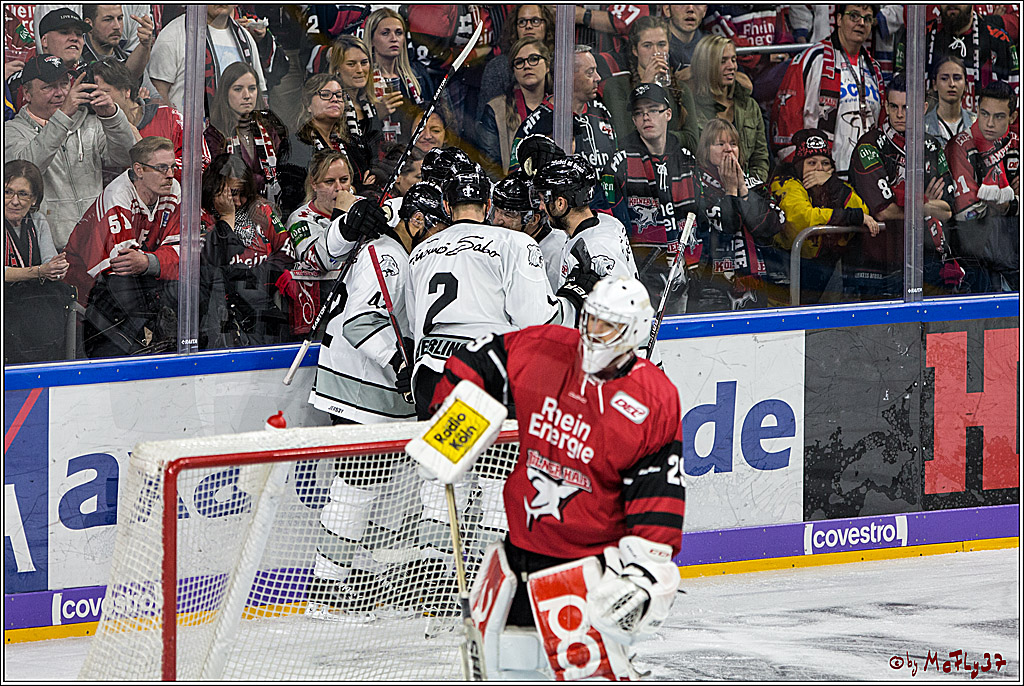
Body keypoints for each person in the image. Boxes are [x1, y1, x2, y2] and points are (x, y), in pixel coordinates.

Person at [428, 275, 685, 681]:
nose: (594, 333)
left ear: (634, 332)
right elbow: (482, 359)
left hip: (586, 570)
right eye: (591, 320)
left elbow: (658, 491)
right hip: (516, 556)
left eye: (609, 325)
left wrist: (645, 570)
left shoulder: (653, 398)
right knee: (502, 671)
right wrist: (451, 412)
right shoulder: (545, 348)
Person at [300, 173, 419, 618]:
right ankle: (328, 586)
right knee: (356, 485)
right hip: (359, 389)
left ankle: (343, 572)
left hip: (367, 391)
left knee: (368, 486)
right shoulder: (387, 255)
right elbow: (361, 323)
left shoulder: (393, 238)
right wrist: (400, 366)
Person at [404, 166, 561, 420]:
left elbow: (415, 323)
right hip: (483, 372)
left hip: (429, 375)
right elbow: (535, 321)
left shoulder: (419, 253)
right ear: (488, 205)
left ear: (446, 205)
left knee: (440, 458)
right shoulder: (515, 242)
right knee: (493, 459)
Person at [848, 73, 964, 300]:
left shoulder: (931, 146)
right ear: (886, 105)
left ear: (922, 108)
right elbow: (884, 210)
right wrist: (925, 202)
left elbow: (949, 210)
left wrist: (907, 201)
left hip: (925, 259)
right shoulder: (869, 146)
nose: (899, 114)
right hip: (877, 263)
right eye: (894, 106)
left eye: (906, 107)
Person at [62, 136, 180, 357]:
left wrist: (148, 260)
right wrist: (157, 261)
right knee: (126, 285)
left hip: (126, 286)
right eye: (162, 168)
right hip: (86, 289)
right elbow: (123, 267)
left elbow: (182, 255)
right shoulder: (117, 197)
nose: (171, 174)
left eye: (173, 166)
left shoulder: (173, 189)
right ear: (139, 170)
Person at [5, 54, 136, 250]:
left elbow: (126, 157)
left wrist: (112, 116)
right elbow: (27, 170)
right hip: (50, 248)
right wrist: (63, 116)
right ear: (27, 93)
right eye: (48, 86)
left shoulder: (90, 123)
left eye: (64, 84)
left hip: (98, 242)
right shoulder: (11, 131)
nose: (59, 93)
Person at [603, 84, 700, 316]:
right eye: (638, 112)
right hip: (638, 278)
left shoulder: (686, 159)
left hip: (682, 276)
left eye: (653, 109)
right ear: (634, 121)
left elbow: (698, 215)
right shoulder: (620, 161)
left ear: (668, 114)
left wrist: (694, 265)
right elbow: (609, 216)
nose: (646, 116)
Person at [768, 128, 878, 305]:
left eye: (825, 163)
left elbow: (863, 210)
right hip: (784, 276)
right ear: (799, 165)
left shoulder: (834, 185)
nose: (819, 169)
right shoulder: (785, 182)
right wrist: (851, 217)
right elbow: (802, 219)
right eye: (811, 163)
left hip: (825, 274)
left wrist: (832, 183)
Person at [773, 5, 885, 177]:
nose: (861, 23)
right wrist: (800, 169)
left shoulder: (874, 69)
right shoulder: (813, 58)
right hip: (821, 176)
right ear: (839, 19)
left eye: (867, 18)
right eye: (854, 16)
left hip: (867, 178)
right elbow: (786, 118)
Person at [198, 152, 294, 348]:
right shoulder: (200, 219)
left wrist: (257, 276)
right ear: (214, 189)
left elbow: (287, 254)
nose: (240, 201)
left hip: (262, 311)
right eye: (233, 193)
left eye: (243, 193)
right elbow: (209, 269)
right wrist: (226, 217)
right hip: (220, 321)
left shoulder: (261, 211)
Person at [535, 155, 640, 327]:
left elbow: (620, 313)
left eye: (544, 199)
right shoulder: (607, 222)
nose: (541, 207)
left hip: (612, 348)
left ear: (561, 203)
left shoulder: (594, 248)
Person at [693, 118, 786, 311]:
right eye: (720, 144)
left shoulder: (754, 184)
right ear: (706, 150)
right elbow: (726, 226)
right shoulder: (696, 184)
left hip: (756, 285)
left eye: (733, 144)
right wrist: (729, 192)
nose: (728, 149)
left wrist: (742, 189)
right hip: (710, 285)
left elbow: (773, 224)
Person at [944, 81, 1019, 292]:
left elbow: (993, 204)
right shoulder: (959, 146)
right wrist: (1011, 204)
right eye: (984, 114)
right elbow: (967, 214)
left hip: (1013, 262)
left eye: (999, 116)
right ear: (976, 110)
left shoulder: (1017, 144)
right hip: (973, 263)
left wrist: (1005, 204)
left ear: (1012, 117)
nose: (989, 123)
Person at [90, 58, 211, 183]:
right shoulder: (96, 129)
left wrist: (158, 162)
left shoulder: (170, 118)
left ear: (126, 91)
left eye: (105, 92)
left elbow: (202, 165)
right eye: (94, 93)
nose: (99, 98)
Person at [4, 159, 74, 365]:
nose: (14, 201)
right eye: (8, 192)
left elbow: (49, 260)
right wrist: (40, 271)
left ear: (34, 199)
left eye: (23, 194)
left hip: (33, 298)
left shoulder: (38, 221)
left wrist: (58, 268)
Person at [511, 45, 618, 174]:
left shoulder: (602, 113)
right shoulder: (534, 126)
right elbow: (517, 178)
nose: (598, 78)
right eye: (590, 72)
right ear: (567, 76)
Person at [599, 16, 699, 150]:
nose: (656, 52)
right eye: (647, 45)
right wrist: (644, 85)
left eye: (662, 44)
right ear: (635, 50)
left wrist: (654, 137)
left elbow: (693, 142)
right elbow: (623, 136)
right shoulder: (616, 86)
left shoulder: (681, 89)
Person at [147, 4, 268, 112]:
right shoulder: (172, 35)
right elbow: (158, 94)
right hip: (186, 134)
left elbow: (259, 93)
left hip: (237, 133)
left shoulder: (245, 38)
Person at [690, 34, 770, 183]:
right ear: (706, 65)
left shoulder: (749, 105)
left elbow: (760, 157)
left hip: (747, 188)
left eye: (733, 60)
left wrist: (751, 186)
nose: (732, 66)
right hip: (704, 190)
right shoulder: (691, 107)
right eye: (723, 61)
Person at [204, 61, 288, 204]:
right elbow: (221, 181)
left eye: (252, 88)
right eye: (238, 89)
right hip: (232, 208)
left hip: (273, 207)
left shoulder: (270, 130)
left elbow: (284, 174)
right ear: (225, 93)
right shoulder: (215, 133)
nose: (247, 95)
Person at [916, 4, 1018, 114]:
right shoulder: (922, 38)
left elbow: (1014, 102)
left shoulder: (999, 41)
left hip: (983, 129)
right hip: (932, 129)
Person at [478, 37, 552, 173]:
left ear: (547, 66)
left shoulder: (560, 106)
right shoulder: (495, 109)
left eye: (534, 59)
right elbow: (489, 167)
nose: (527, 66)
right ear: (514, 70)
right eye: (519, 62)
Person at [364, 8, 434, 146]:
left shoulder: (418, 76)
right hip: (376, 157)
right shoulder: (362, 80)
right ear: (371, 40)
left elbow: (434, 118)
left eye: (399, 33)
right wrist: (376, 114)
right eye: (385, 33)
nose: (393, 38)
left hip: (414, 155)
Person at [477, 5, 555, 121]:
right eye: (522, 22)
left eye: (535, 21)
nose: (528, 26)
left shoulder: (560, 63)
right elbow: (486, 121)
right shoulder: (498, 67)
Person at [491, 170, 566, 291]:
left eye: (508, 214)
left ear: (534, 219)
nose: (497, 221)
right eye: (497, 211)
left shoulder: (555, 255)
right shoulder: (505, 242)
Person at [81, 4, 154, 83]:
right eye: (108, 19)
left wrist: (145, 45)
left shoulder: (130, 59)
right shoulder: (77, 60)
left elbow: (155, 95)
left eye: (120, 18)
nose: (117, 26)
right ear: (88, 24)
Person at [924, 56, 977, 148]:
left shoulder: (977, 125)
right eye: (944, 78)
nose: (952, 84)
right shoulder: (923, 126)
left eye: (957, 78)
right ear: (935, 84)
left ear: (965, 85)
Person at [661, 4, 708, 77]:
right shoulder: (653, 44)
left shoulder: (712, 46)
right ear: (667, 9)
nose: (690, 9)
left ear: (705, 10)